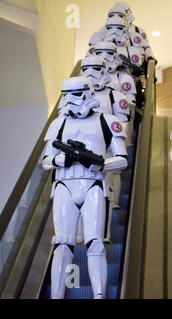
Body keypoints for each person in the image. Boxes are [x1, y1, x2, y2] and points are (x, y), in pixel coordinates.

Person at [42, 76, 128, 299]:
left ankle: (99, 295)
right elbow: (45, 160)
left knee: (96, 243)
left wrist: (99, 164)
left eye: (76, 94)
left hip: (93, 185)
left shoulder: (106, 120)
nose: (71, 101)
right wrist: (60, 160)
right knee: (62, 243)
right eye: (67, 95)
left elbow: (122, 158)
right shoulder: (58, 123)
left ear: (87, 93)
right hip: (63, 185)